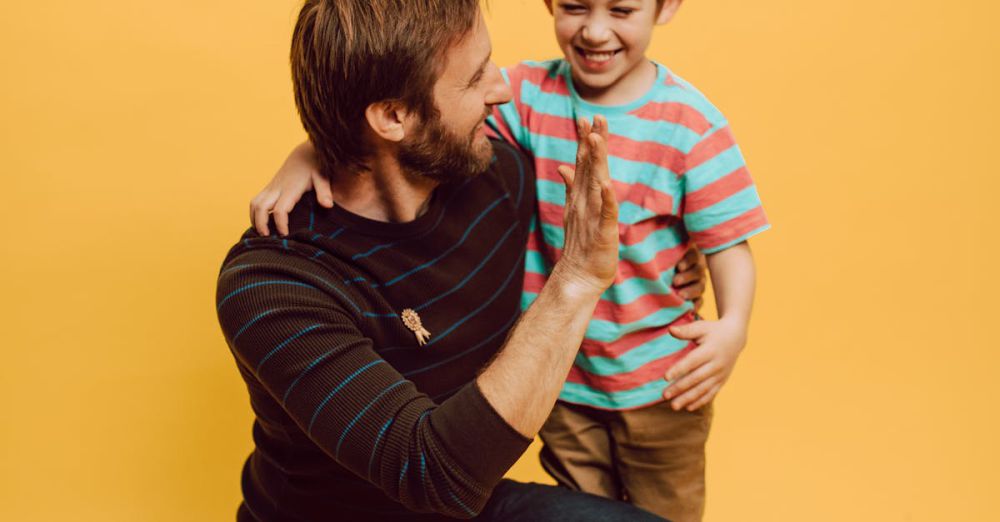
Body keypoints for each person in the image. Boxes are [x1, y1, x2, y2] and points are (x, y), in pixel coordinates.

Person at [252, 1, 768, 520]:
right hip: (497, 435)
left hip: (615, 408)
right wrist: (312, 152)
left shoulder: (503, 175)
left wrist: (706, 288)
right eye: (477, 77)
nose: (500, 90)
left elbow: (716, 227)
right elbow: (430, 472)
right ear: (391, 116)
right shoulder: (276, 282)